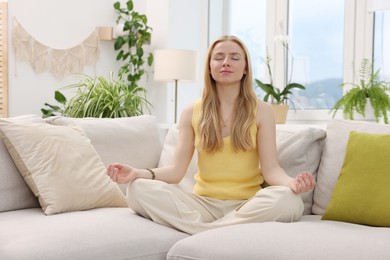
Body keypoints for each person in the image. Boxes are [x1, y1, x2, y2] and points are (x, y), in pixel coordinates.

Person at [107, 35, 315, 235]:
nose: (226, 62)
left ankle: (202, 231)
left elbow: (271, 170)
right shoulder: (191, 111)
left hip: (247, 204)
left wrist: (291, 183)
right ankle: (221, 230)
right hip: (202, 205)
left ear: (245, 69)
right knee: (137, 190)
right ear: (209, 67)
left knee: (290, 200)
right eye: (218, 57)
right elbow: (175, 171)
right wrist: (138, 173)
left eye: (234, 57)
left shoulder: (263, 111)